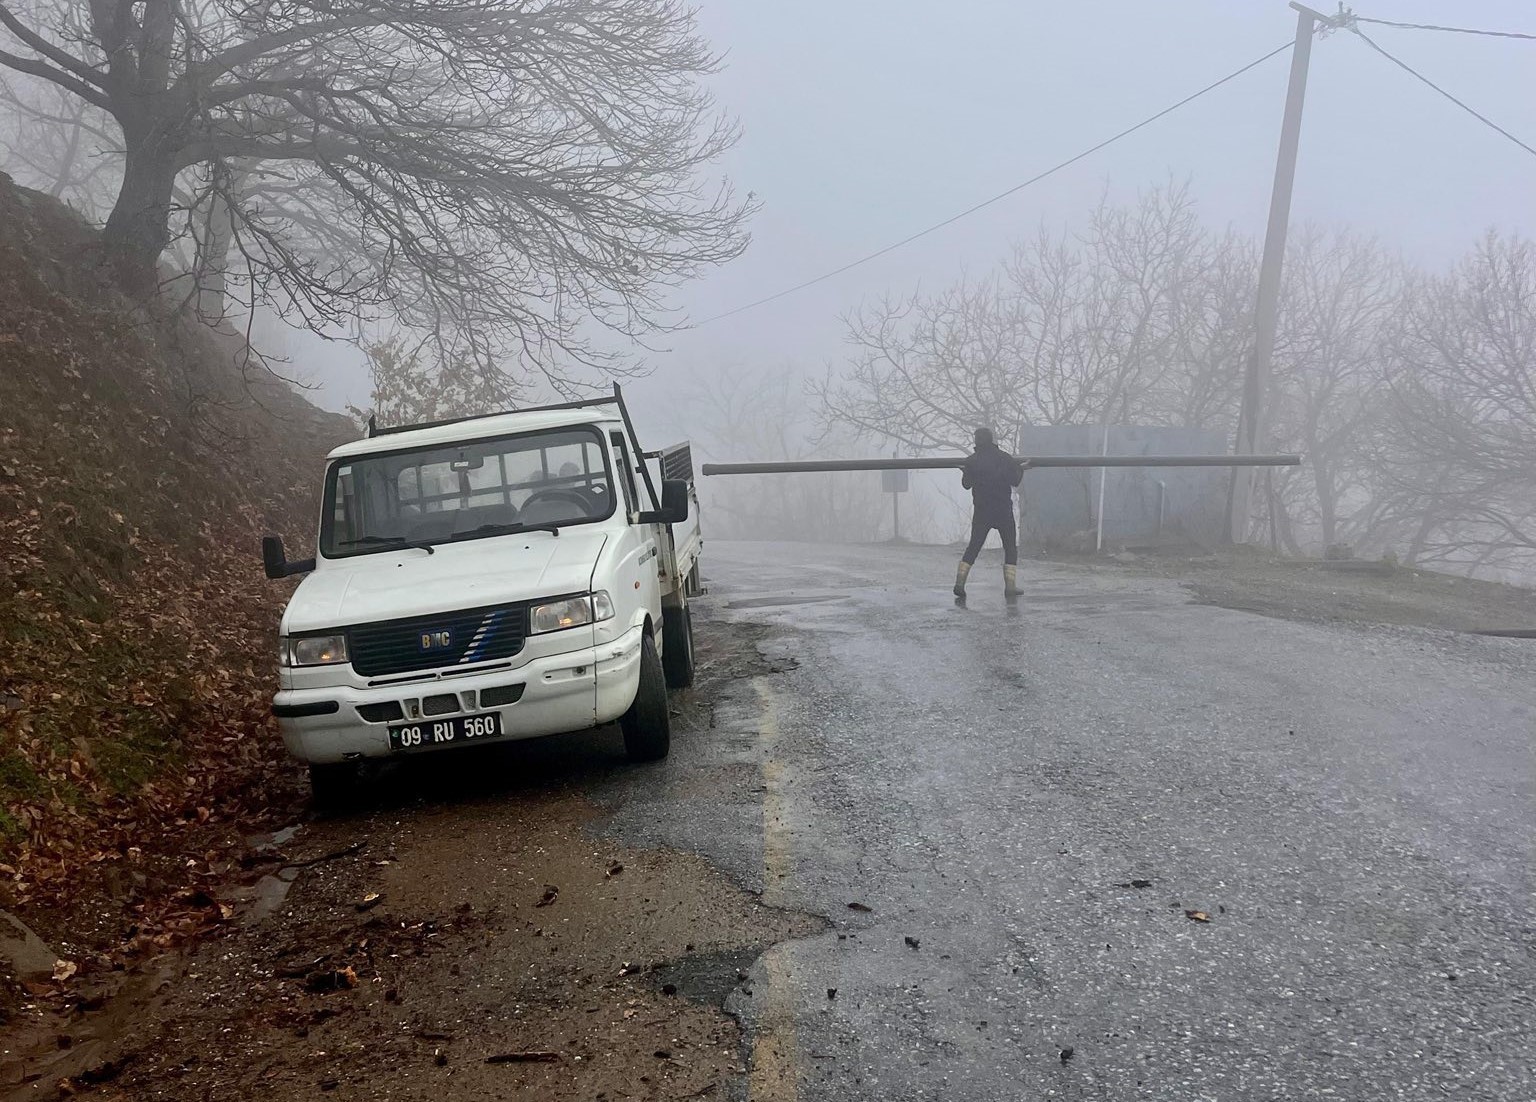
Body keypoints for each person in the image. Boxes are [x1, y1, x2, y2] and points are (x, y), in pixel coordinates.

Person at [955, 427, 1030, 599]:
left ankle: (959, 583)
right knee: (1010, 548)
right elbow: (1015, 481)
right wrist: (1021, 469)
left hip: (982, 511)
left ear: (976, 441)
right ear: (992, 440)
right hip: (1003, 510)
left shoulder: (972, 461)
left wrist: (965, 470)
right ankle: (1010, 587)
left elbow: (966, 484)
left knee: (973, 547)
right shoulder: (1004, 458)